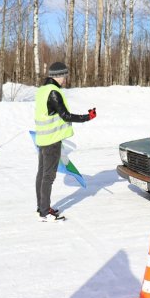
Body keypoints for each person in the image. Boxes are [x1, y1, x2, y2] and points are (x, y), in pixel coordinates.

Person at [34, 62, 97, 222]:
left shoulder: (42, 90)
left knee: (42, 174)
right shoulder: (54, 92)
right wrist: (87, 117)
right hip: (52, 140)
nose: (65, 80)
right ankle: (45, 213)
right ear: (59, 76)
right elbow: (66, 116)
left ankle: (41, 207)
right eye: (65, 76)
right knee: (48, 176)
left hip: (42, 138)